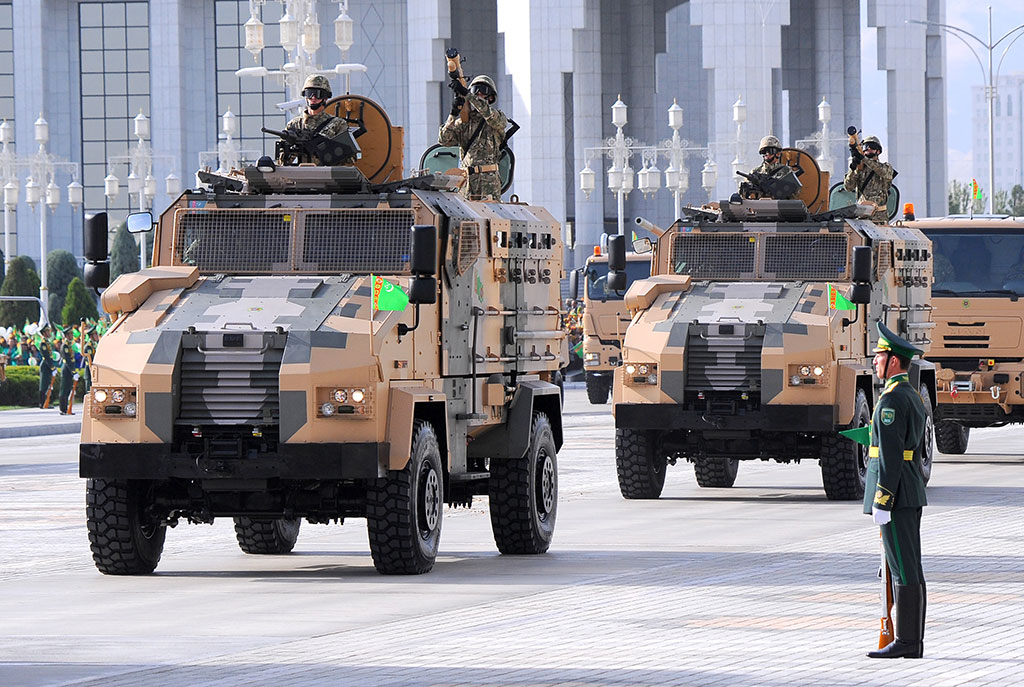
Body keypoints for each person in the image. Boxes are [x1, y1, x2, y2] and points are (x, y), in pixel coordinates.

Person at [864, 321, 928, 659]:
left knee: (903, 567)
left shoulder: (891, 400)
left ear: (893, 361)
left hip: (897, 494)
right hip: (908, 489)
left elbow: (890, 454)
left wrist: (882, 499)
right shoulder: (908, 394)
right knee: (909, 565)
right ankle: (911, 639)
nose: (875, 360)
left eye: (879, 355)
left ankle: (907, 641)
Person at [438, 74, 508, 201]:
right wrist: (453, 114)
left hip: (488, 181)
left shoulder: (497, 118)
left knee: (489, 211)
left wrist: (468, 94)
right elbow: (444, 140)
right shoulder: (463, 123)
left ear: (490, 97)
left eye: (483, 90)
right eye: (475, 90)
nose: (479, 93)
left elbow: (490, 115)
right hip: (466, 181)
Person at [280, 74, 351, 165]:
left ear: (325, 98)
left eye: (318, 94)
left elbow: (350, 159)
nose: (313, 98)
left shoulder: (337, 124)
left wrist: (324, 148)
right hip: (301, 172)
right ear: (305, 96)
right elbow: (282, 162)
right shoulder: (294, 125)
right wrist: (292, 148)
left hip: (327, 173)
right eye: (309, 93)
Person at [845, 135, 895, 223]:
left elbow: (883, 172)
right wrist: (853, 169)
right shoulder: (860, 169)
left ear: (878, 151)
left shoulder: (886, 167)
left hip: (879, 217)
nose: (868, 148)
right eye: (865, 146)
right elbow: (848, 187)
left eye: (872, 146)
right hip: (862, 217)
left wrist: (863, 158)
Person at [738, 135, 797, 200]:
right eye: (764, 151)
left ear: (777, 153)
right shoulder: (755, 172)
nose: (767, 154)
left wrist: (772, 187)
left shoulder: (786, 171)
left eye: (770, 151)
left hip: (779, 204)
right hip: (759, 205)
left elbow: (794, 192)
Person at [58, 338, 77, 415]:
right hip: (66, 369)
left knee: (68, 389)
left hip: (69, 369)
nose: (71, 336)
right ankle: (63, 409)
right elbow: (68, 359)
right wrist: (73, 372)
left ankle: (66, 409)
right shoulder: (65, 346)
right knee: (64, 390)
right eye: (70, 334)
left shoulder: (69, 345)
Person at [38, 343, 53, 408]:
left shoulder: (47, 342)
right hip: (45, 364)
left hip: (48, 364)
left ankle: (47, 402)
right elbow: (46, 355)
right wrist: (51, 366)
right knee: (43, 385)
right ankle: (42, 403)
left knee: (48, 384)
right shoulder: (43, 344)